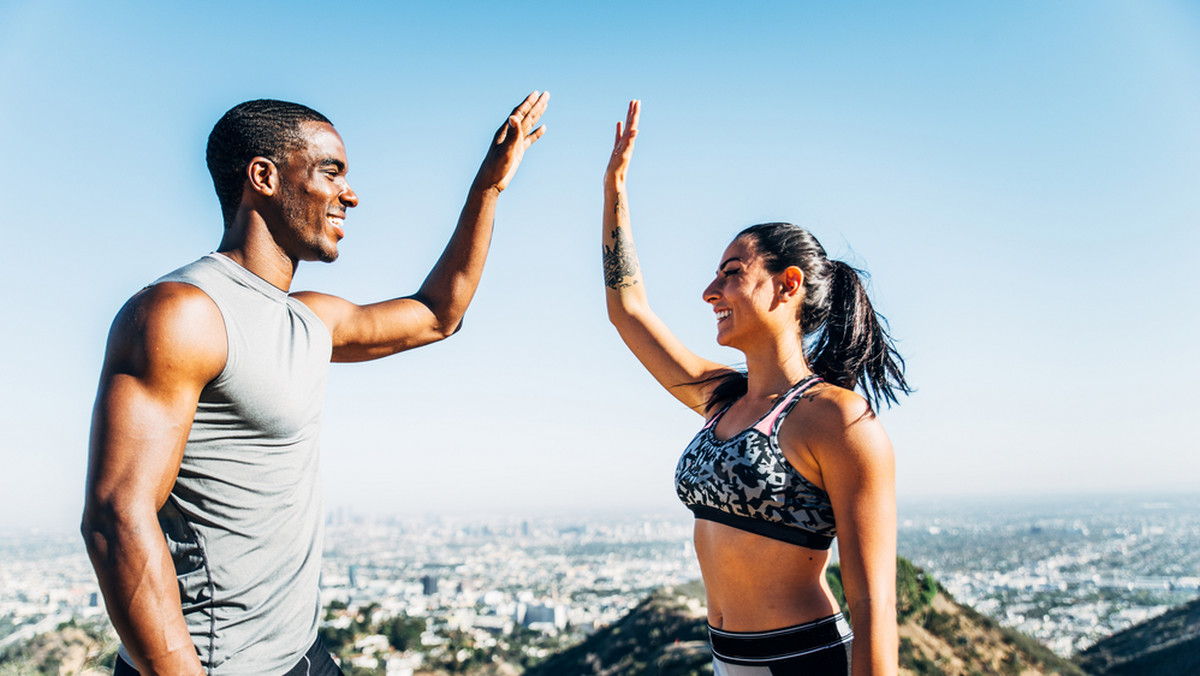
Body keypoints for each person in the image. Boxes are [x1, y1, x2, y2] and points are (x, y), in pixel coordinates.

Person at [81, 92, 549, 675]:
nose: (349, 194)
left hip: (301, 653)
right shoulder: (182, 314)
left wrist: (489, 187)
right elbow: (115, 516)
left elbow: (436, 314)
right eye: (332, 171)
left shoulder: (306, 319)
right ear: (264, 177)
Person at [602, 100, 908, 675]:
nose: (710, 291)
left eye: (732, 272)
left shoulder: (838, 420)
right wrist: (614, 189)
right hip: (728, 662)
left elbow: (874, 604)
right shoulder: (723, 398)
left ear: (787, 284)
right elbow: (627, 311)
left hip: (805, 663)